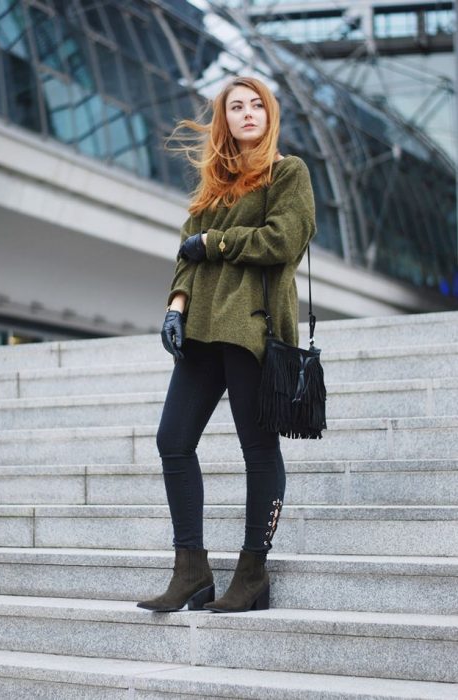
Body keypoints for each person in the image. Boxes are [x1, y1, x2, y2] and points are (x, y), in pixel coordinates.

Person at [137, 75, 317, 614]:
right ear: (225, 121)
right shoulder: (213, 188)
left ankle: (252, 572)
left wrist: (214, 241)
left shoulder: (288, 173)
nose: (245, 113)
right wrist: (175, 306)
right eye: (235, 106)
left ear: (269, 113)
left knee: (258, 449)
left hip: (251, 327)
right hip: (201, 330)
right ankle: (190, 569)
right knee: (173, 440)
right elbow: (185, 255)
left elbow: (282, 241)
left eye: (254, 104)